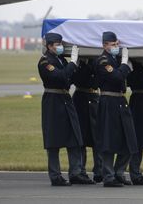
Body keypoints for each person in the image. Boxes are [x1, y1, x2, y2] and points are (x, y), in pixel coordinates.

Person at [38, 33, 92, 186]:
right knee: (53, 141)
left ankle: (75, 173)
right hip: (53, 102)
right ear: (49, 46)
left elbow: (74, 78)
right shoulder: (45, 62)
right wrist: (73, 63)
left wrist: (82, 63)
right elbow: (61, 76)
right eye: (57, 44)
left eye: (61, 43)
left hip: (66, 100)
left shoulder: (61, 60)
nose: (60, 46)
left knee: (74, 137)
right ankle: (55, 176)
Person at [95, 31, 138, 187]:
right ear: (104, 45)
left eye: (117, 44)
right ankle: (108, 176)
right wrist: (125, 65)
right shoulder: (103, 61)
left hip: (120, 100)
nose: (116, 47)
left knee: (129, 139)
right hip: (108, 102)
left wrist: (125, 64)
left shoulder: (115, 59)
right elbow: (117, 77)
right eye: (113, 45)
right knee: (109, 141)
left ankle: (119, 172)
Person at [71, 58, 103, 183]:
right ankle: (80, 171)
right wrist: (83, 62)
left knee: (98, 137)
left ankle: (99, 170)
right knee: (81, 137)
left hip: (95, 97)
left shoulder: (100, 61)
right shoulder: (80, 63)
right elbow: (76, 79)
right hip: (81, 99)